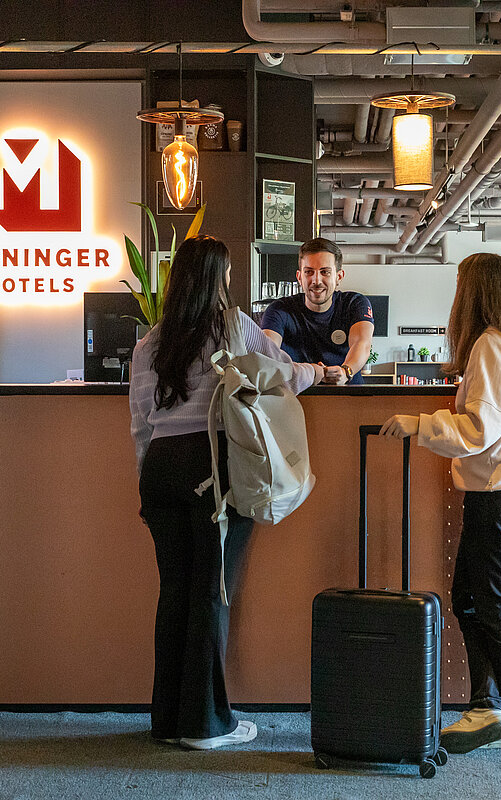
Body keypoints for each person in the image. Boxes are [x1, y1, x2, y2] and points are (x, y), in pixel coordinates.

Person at [129, 235, 323, 750]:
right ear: (219, 279)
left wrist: (147, 488)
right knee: (211, 595)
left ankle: (168, 719)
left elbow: (140, 428)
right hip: (212, 467)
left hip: (161, 472)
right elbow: (280, 376)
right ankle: (207, 724)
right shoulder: (233, 328)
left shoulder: (148, 345)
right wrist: (321, 370)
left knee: (174, 596)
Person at [379, 252, 501, 754]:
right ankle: (488, 707)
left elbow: (480, 429)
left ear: (474, 291)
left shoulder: (490, 345)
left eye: (460, 284)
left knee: (494, 605)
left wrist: (418, 424)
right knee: (471, 599)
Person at [261, 238, 374, 386]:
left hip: (349, 398)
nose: (316, 280)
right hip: (298, 401)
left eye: (325, 272)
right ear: (299, 277)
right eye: (309, 272)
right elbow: (266, 354)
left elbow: (362, 343)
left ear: (338, 276)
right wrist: (313, 371)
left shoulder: (355, 303)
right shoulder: (279, 310)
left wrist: (346, 371)